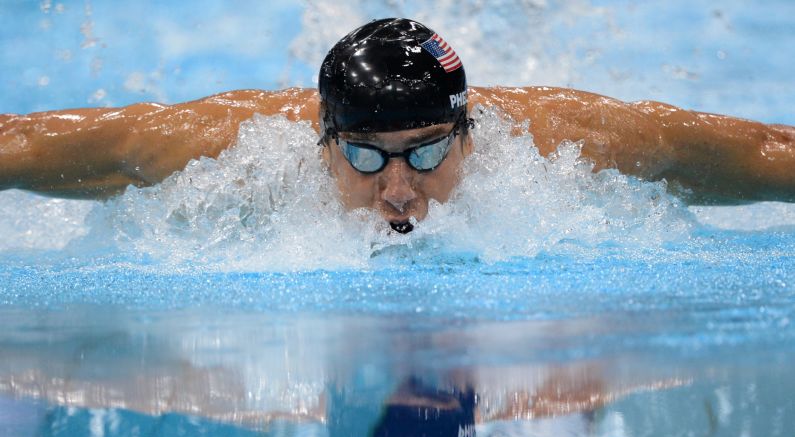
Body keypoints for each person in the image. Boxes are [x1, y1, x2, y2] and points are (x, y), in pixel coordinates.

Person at [1, 18, 793, 234]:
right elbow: (27, 143)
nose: (399, 188)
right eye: (362, 157)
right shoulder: (229, 150)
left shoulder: (563, 144)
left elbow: (761, 152)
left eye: (425, 152)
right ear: (320, 144)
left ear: (469, 135)